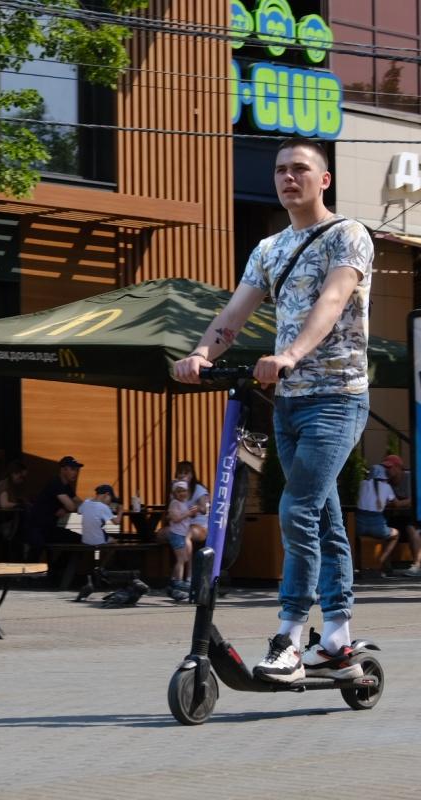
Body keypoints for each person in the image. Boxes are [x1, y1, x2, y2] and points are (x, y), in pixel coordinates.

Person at [175, 136, 374, 683]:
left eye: (301, 169)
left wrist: (288, 353)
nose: (289, 178)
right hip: (287, 402)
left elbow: (333, 302)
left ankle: (289, 637)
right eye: (282, 170)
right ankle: (336, 637)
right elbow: (234, 313)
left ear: (324, 179)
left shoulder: (348, 236)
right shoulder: (268, 249)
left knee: (297, 509)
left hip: (336, 398)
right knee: (324, 517)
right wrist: (199, 353)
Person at [378, 453, 421, 578]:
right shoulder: (385, 483)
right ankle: (385, 567)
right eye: (385, 468)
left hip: (419, 516)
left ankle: (417, 566)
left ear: (399, 467)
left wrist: (399, 503)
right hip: (399, 517)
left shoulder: (410, 478)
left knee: (411, 527)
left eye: (390, 467)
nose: (387, 470)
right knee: (384, 528)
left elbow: (415, 499)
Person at [24, 455, 82, 562]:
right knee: (36, 550)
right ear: (63, 470)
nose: (76, 473)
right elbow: (72, 506)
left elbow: (79, 502)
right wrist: (68, 507)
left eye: (77, 470)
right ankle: (27, 577)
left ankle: (58, 570)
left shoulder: (66, 487)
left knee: (76, 538)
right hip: (37, 528)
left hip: (49, 528)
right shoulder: (55, 483)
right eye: (73, 469)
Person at [356, 464, 399, 575]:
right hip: (378, 527)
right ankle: (380, 562)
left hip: (359, 526)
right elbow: (396, 504)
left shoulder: (361, 484)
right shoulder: (387, 487)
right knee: (395, 534)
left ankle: (358, 564)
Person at [166, 480, 198, 600]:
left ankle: (173, 582)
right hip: (176, 534)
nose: (182, 493)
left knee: (183, 559)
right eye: (179, 491)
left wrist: (193, 513)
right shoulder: (174, 503)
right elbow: (175, 519)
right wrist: (188, 513)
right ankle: (178, 584)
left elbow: (187, 517)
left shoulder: (184, 503)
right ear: (175, 493)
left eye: (184, 491)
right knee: (181, 559)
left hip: (182, 534)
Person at [174, 460, 210, 545]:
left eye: (186, 473)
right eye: (180, 472)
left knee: (185, 534)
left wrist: (198, 508)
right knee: (161, 535)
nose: (182, 475)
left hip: (199, 526)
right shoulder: (175, 490)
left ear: (192, 475)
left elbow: (206, 510)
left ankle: (186, 558)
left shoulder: (199, 489)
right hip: (180, 525)